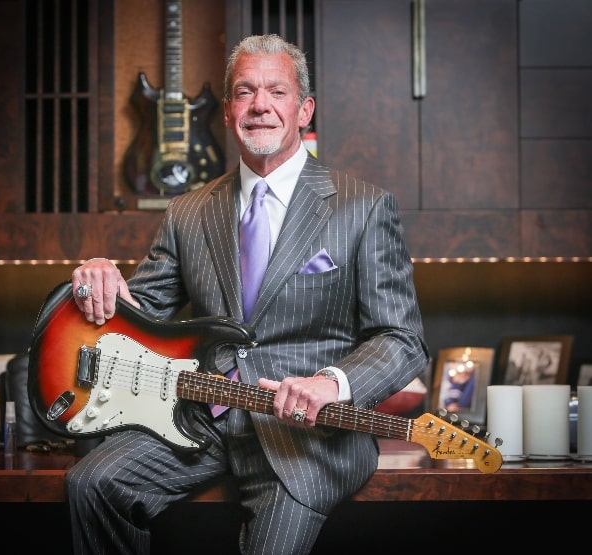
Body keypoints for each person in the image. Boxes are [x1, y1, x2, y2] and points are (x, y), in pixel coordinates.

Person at [66, 33, 429, 555]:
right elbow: (139, 320)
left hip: (306, 439)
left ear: (304, 110)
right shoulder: (188, 211)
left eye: (276, 92)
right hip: (199, 423)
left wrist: (333, 383)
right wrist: (101, 276)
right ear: (229, 112)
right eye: (244, 92)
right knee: (90, 485)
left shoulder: (363, 207)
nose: (260, 105)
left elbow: (402, 337)